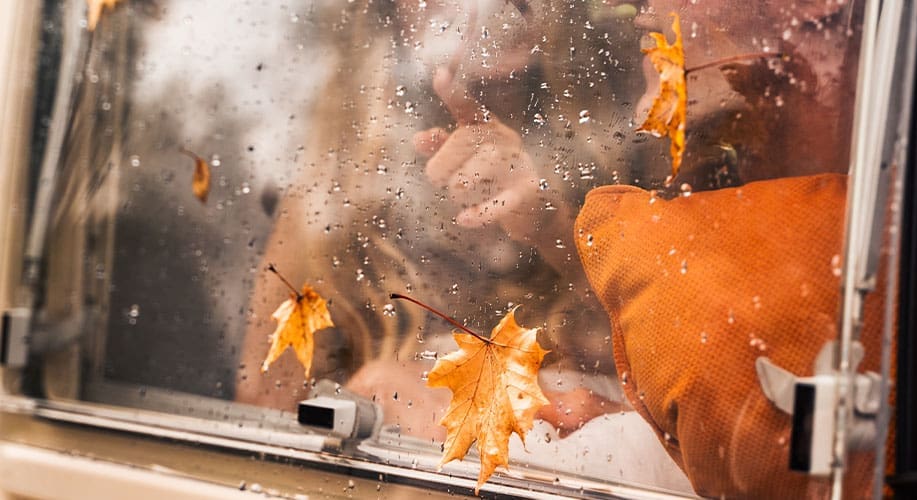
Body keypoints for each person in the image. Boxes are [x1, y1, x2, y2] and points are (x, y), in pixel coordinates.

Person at [237, 0, 867, 494]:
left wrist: (555, 225)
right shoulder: (333, 198)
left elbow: (707, 360)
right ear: (393, 15)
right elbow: (259, 433)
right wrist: (373, 398)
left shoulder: (666, 135)